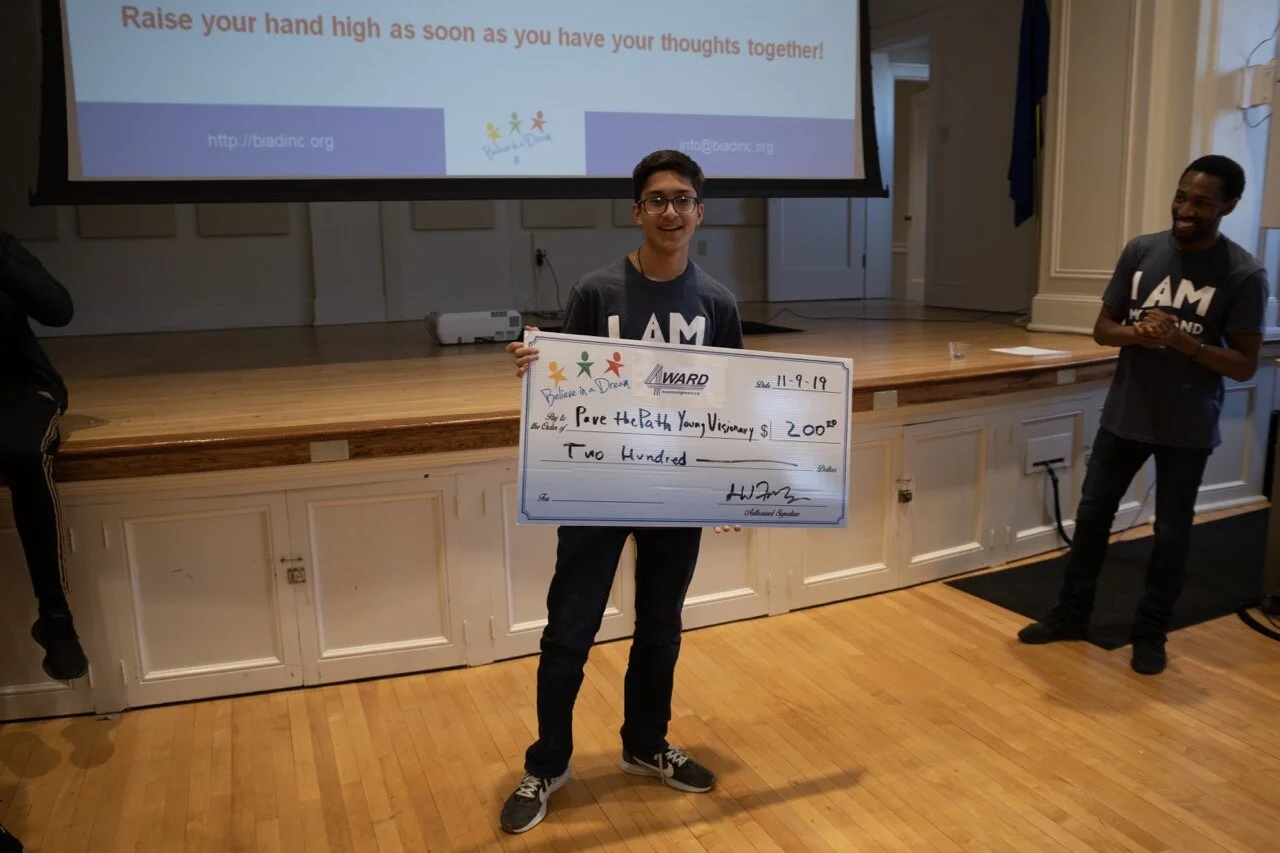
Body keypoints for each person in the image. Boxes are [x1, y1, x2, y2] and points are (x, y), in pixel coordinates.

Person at [498, 150, 744, 834]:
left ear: (699, 213)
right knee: (567, 634)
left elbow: (733, 402)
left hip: (676, 491)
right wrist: (536, 364)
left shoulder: (718, 303)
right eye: (657, 199)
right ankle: (548, 763)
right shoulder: (596, 291)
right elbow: (566, 378)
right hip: (596, 488)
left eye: (683, 199)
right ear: (637, 212)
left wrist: (728, 487)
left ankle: (644, 745)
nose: (671, 211)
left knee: (661, 628)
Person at [1018, 154, 1269, 675]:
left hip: (1187, 424)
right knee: (1092, 519)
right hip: (1124, 415)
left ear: (1229, 206)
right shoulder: (1141, 251)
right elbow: (1102, 331)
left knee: (1172, 533)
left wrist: (1181, 341)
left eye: (1201, 202)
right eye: (1181, 197)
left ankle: (1151, 633)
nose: (1185, 210)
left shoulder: (1244, 273)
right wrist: (1139, 332)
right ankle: (1072, 614)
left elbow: (1245, 365)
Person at [1, 230, 88, 681]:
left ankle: (55, 615)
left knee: (24, 453)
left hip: (19, 386)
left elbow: (59, 310)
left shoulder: (2, 246)